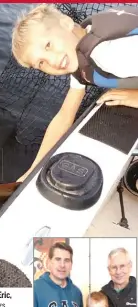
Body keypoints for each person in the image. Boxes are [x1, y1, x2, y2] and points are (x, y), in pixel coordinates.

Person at [11, 4, 138, 182]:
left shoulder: (106, 53)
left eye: (48, 45)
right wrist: (33, 171)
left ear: (66, 23)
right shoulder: (82, 43)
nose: (53, 61)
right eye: (41, 63)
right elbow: (64, 115)